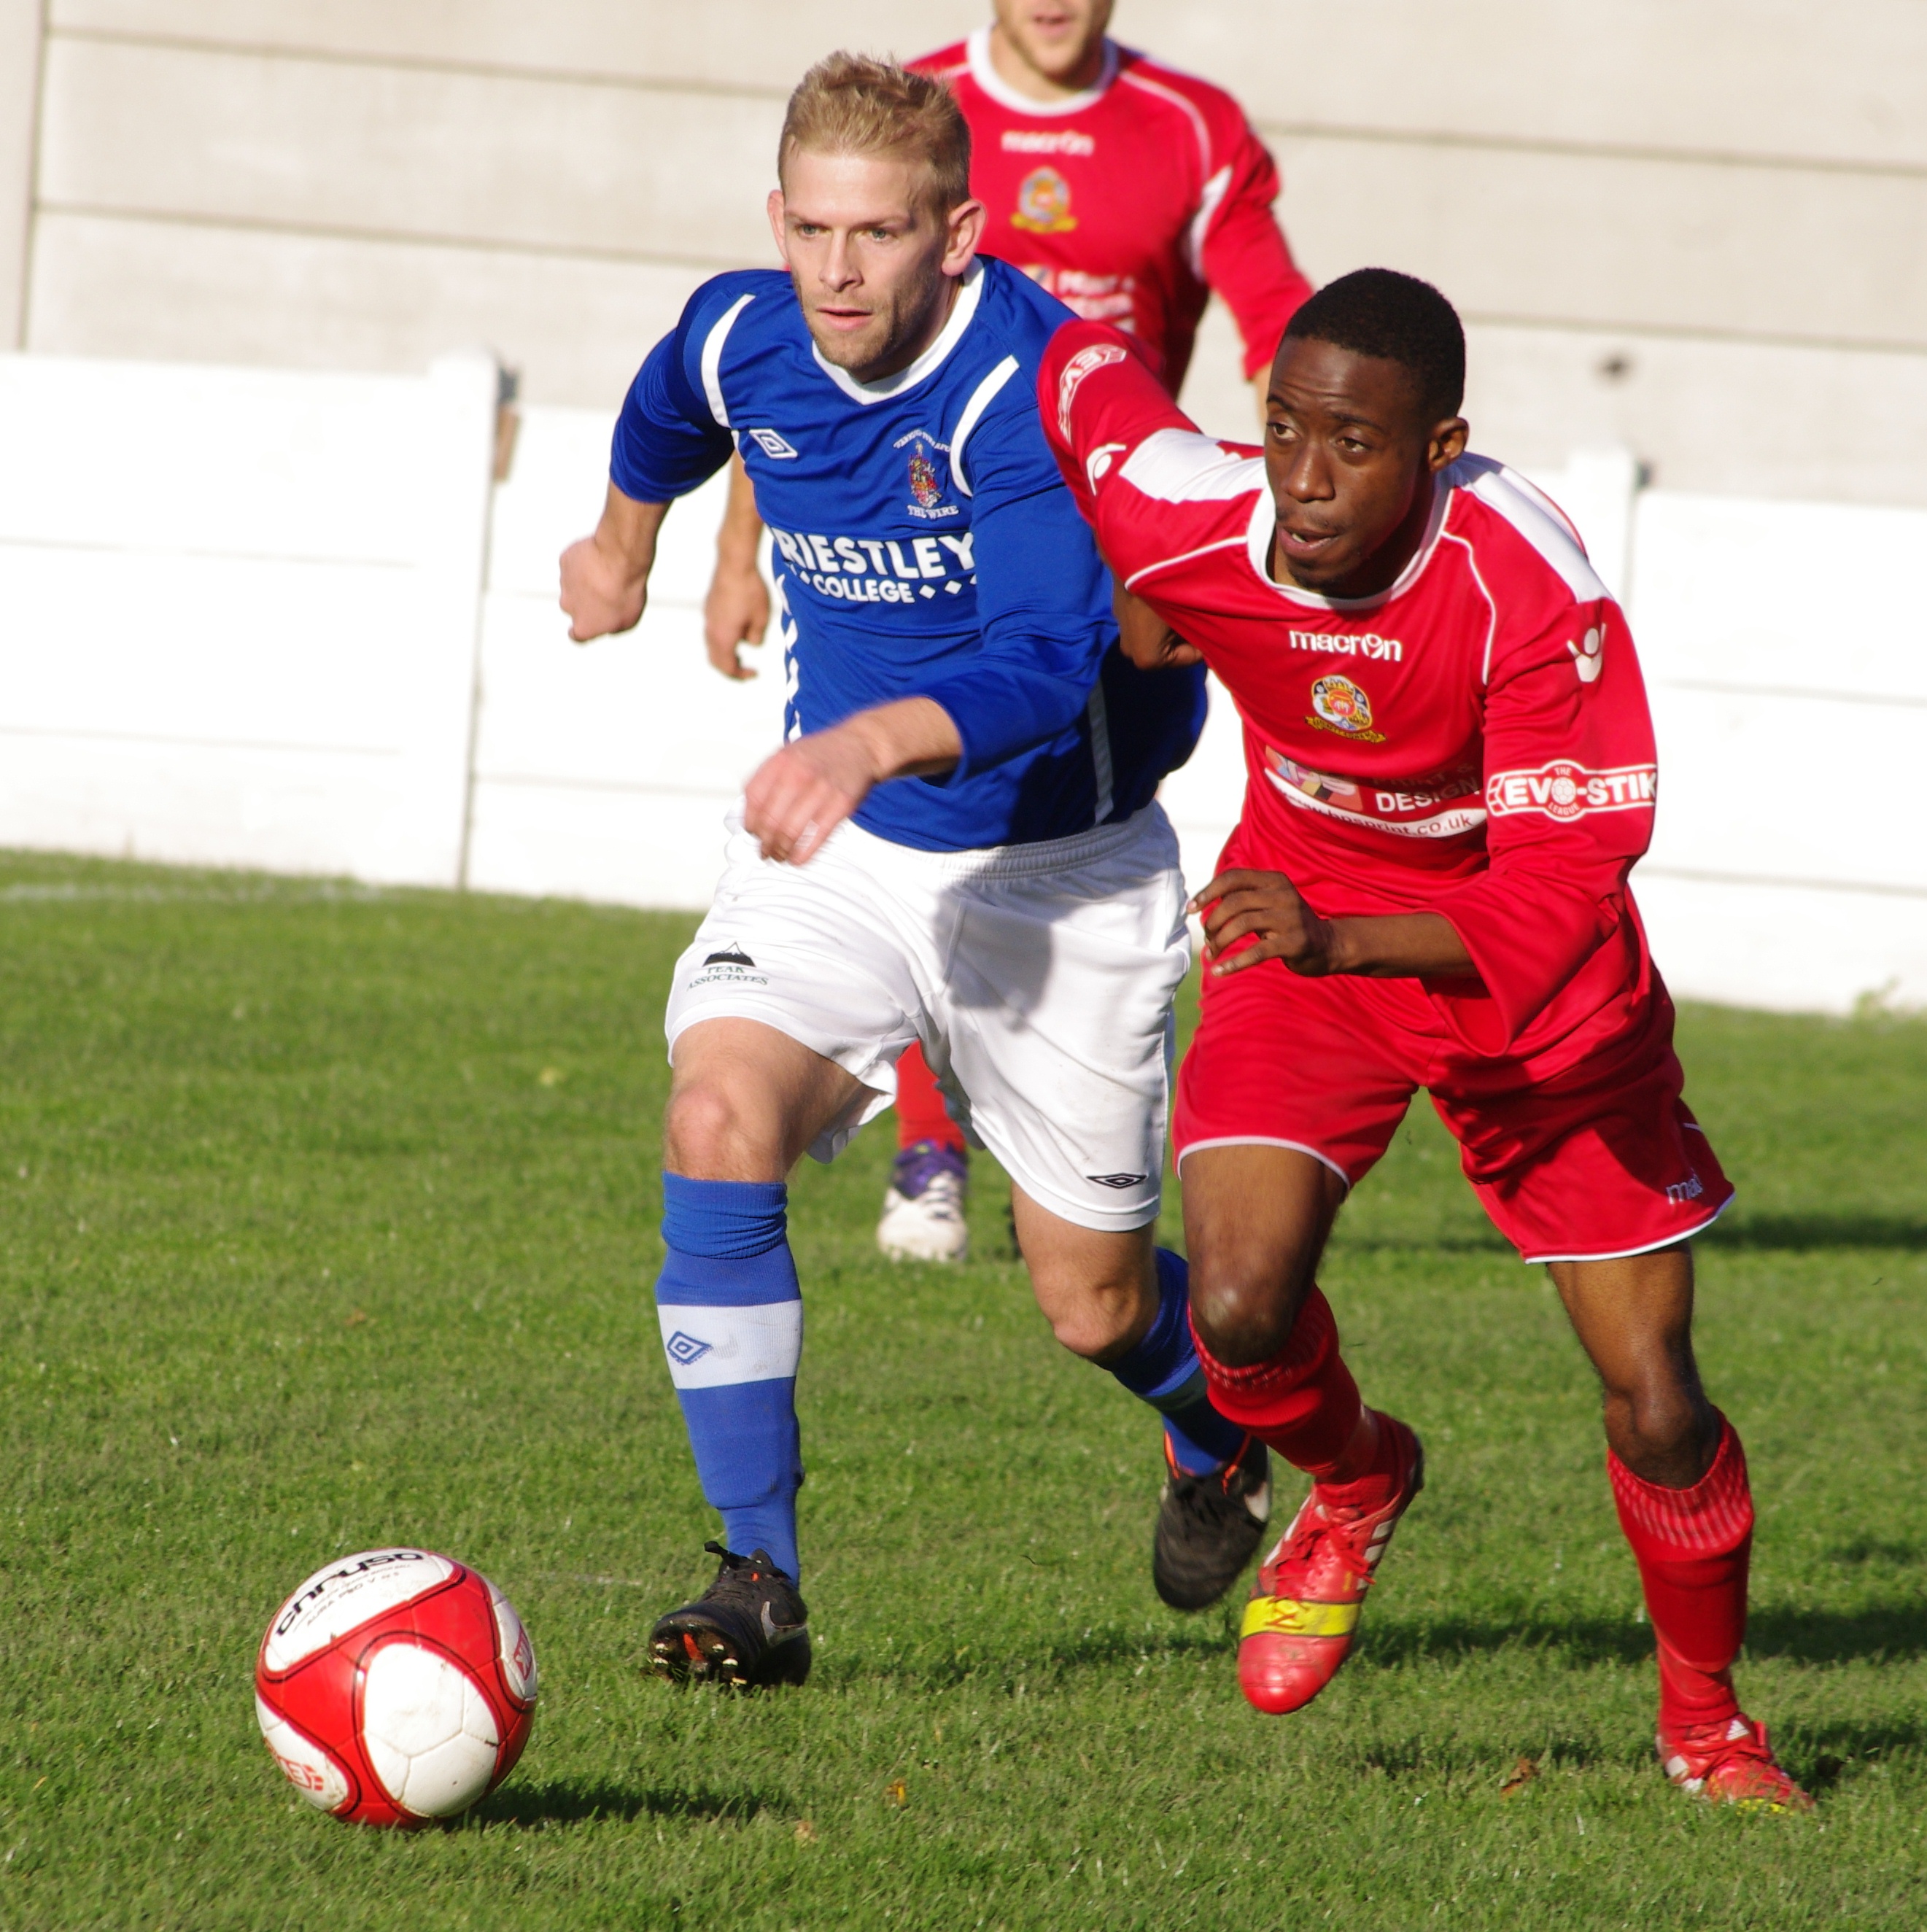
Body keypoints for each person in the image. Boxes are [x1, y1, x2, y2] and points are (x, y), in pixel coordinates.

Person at [1039, 269, 1812, 1810]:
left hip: (1525, 987)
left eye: (1352, 443)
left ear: (1441, 445)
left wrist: (1346, 934)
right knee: (1242, 1308)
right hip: (1300, 942)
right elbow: (1061, 372)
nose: (1305, 477)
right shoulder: (1190, 507)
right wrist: (1125, 583)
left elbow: (1562, 896)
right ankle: (1358, 1470)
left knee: (1653, 1392)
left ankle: (1708, 1725)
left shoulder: (1529, 588)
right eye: (1280, 430)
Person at [558, 54, 1256, 1688]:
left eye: (876, 234)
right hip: (849, 857)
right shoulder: (751, 330)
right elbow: (670, 397)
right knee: (713, 1116)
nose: (836, 272)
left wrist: (861, 739)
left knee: (1088, 1300)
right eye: (809, 229)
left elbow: (1037, 656)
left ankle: (1219, 1433)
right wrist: (626, 543)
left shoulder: (1040, 385)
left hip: (1057, 877)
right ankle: (758, 1580)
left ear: (960, 231)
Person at [703, 0, 1314, 1270]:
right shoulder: (906, 109)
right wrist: (731, 552)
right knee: (907, 821)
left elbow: (1274, 328)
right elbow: (817, 377)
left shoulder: (1190, 130)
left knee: (1037, 771)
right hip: (930, 512)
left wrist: (1244, 532)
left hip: (1098, 526)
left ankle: (1074, 1189)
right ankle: (929, 1144)